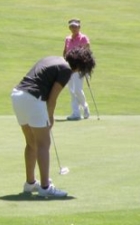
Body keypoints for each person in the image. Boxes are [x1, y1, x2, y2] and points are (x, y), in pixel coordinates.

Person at [10, 46, 96, 197]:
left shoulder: (52, 58)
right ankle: (45, 187)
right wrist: (50, 117)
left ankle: (30, 184)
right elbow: (53, 97)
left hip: (18, 95)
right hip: (32, 98)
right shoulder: (66, 70)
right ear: (80, 65)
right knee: (44, 144)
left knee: (31, 143)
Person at [63, 19, 91, 120]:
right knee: (71, 90)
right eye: (72, 26)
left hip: (79, 68)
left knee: (77, 90)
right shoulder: (67, 39)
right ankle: (76, 113)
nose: (73, 28)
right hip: (69, 68)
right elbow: (65, 52)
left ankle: (85, 107)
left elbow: (87, 53)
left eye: (75, 26)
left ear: (79, 27)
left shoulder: (83, 38)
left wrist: (83, 67)